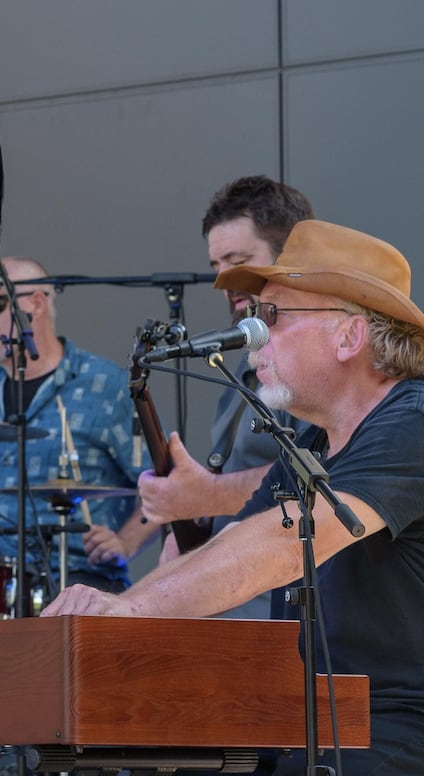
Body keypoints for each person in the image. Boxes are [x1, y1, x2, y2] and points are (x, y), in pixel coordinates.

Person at [44, 220, 424, 775]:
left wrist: (129, 608)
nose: (252, 330)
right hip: (341, 729)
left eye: (273, 316)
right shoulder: (313, 444)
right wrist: (103, 621)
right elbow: (229, 549)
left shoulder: (420, 427)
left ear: (349, 337)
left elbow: (281, 544)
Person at [138, 175, 314, 618]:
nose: (225, 280)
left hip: (284, 620)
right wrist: (192, 522)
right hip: (229, 610)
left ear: (291, 256)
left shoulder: (313, 359)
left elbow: (326, 479)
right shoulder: (246, 358)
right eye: (216, 265)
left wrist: (204, 496)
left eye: (238, 260)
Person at [0, 257, 157, 596]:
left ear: (36, 303)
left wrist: (124, 543)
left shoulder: (105, 387)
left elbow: (166, 485)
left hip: (80, 582)